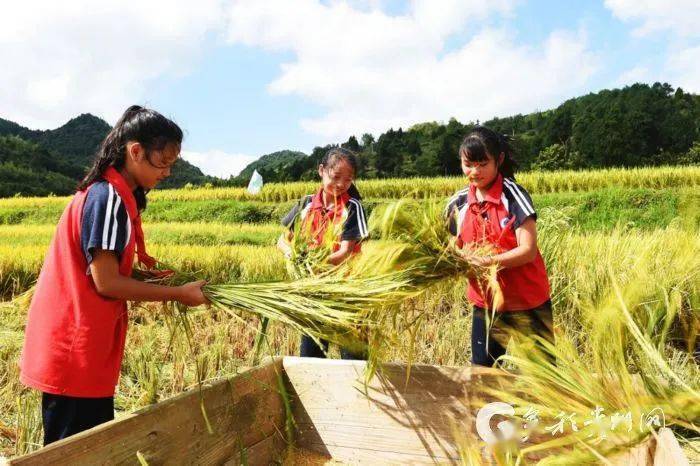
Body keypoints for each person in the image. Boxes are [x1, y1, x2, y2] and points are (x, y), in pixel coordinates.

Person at [20, 105, 208, 445]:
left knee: (88, 448)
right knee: (76, 452)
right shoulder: (107, 199)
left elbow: (107, 269)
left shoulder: (112, 195)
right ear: (135, 152)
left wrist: (158, 280)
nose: (167, 173)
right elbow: (105, 282)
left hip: (80, 346)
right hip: (75, 349)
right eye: (163, 162)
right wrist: (179, 294)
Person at [445, 126, 553, 367]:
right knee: (483, 370)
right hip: (486, 302)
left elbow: (528, 250)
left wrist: (486, 261)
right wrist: (461, 258)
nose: (475, 172)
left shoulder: (514, 196)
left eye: (483, 164)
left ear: (499, 160)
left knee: (543, 374)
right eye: (468, 164)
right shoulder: (458, 203)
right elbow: (454, 246)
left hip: (528, 301)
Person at [277, 147, 369, 359]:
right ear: (321, 170)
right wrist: (293, 256)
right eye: (335, 177)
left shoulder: (353, 207)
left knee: (354, 360)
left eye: (348, 180)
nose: (341, 184)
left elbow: (345, 252)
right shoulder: (306, 204)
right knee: (311, 356)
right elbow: (282, 240)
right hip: (314, 293)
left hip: (347, 293)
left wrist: (314, 262)